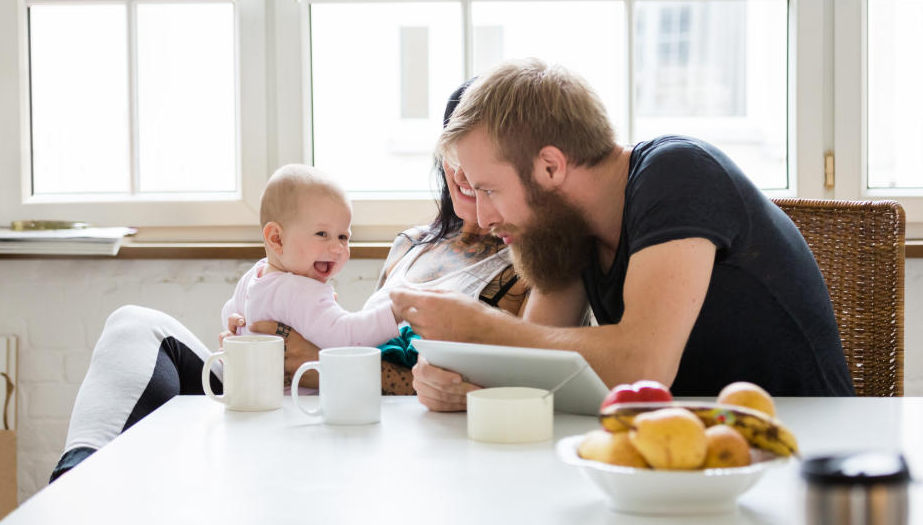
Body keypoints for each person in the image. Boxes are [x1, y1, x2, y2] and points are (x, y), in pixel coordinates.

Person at [50, 81, 529, 482]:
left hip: (357, 416)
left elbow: (482, 389)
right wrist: (249, 332)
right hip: (286, 394)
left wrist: (317, 363)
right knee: (134, 323)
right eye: (454, 152)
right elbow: (350, 331)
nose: (464, 174)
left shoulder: (522, 269)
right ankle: (74, 481)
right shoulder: (412, 243)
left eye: (482, 163)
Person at [392, 58, 855, 412]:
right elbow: (532, 357)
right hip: (688, 448)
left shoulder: (678, 174)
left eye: (490, 190)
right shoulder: (565, 225)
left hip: (803, 443)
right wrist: (452, 379)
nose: (484, 217)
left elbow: (641, 364)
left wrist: (480, 328)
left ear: (550, 166)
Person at [221, 163, 401, 348]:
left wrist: (236, 328)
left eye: (343, 237)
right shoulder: (298, 290)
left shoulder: (255, 275)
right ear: (277, 239)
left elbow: (230, 312)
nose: (338, 248)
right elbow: (345, 336)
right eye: (322, 234)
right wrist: (394, 312)